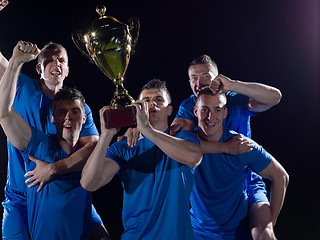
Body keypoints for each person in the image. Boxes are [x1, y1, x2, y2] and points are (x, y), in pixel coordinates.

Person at [0, 41, 109, 239]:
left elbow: (93, 147)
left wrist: (53, 169)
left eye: (61, 60)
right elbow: (3, 111)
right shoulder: (22, 87)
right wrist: (16, 60)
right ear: (38, 68)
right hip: (22, 195)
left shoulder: (77, 108)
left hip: (65, 187)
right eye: (49, 60)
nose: (55, 64)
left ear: (67, 69)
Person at [169, 54, 282, 239]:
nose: (199, 83)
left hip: (247, 175)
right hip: (214, 178)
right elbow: (179, 144)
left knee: (264, 233)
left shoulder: (235, 99)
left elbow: (274, 97)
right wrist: (141, 132)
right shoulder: (190, 105)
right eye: (193, 78)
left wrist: (232, 84)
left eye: (205, 76)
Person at [81, 79, 203, 239]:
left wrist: (147, 129)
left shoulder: (183, 137)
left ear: (169, 110)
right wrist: (105, 136)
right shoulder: (124, 146)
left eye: (159, 100)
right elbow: (89, 183)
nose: (152, 103)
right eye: (146, 100)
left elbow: (194, 157)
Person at [190, 87, 289, 239]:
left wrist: (271, 220)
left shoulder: (240, 145)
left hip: (237, 232)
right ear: (196, 112)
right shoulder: (185, 143)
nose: (210, 117)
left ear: (225, 113)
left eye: (217, 110)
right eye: (205, 110)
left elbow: (280, 176)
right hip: (198, 233)